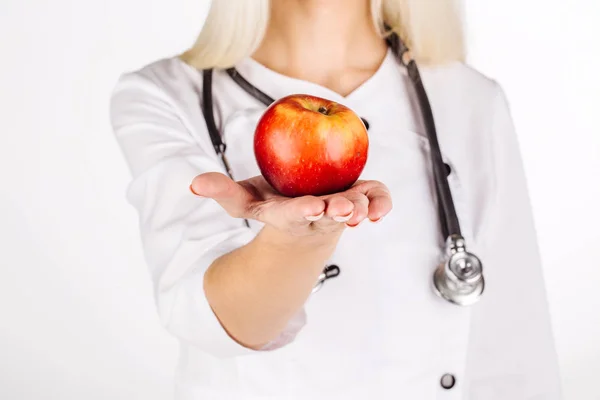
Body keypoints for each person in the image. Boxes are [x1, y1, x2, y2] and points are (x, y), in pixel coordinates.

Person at [109, 0, 562, 398]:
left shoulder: (471, 99)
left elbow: (514, 347)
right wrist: (297, 241)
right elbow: (206, 322)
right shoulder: (164, 96)